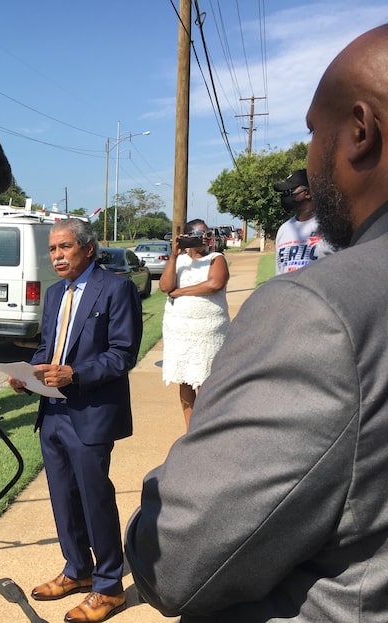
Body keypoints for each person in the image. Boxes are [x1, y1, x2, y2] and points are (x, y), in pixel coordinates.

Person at [125, 24, 388, 620]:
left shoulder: (317, 312)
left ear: (360, 131)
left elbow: (176, 557)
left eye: (314, 134)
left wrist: (152, 515)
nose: (308, 159)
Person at [8, 218, 142, 623]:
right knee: (63, 497)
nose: (57, 256)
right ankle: (77, 569)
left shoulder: (116, 288)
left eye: (64, 248)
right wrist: (28, 373)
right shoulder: (53, 295)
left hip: (91, 412)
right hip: (52, 411)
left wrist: (76, 374)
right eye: (52, 250)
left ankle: (108, 588)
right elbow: (48, 347)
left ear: (87, 249)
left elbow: (122, 354)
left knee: (93, 497)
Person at [158, 219, 230, 428]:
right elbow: (165, 286)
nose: (204, 238)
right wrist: (173, 255)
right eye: (199, 234)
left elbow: (215, 283)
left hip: (208, 332)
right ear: (187, 236)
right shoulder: (178, 261)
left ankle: (210, 427)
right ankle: (191, 429)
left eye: (206, 234)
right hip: (179, 332)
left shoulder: (217, 258)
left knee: (208, 380)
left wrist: (180, 292)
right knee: (186, 379)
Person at [273, 168, 333, 273]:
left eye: (289, 191)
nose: (285, 196)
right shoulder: (284, 229)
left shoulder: (331, 226)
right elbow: (279, 272)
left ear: (307, 193)